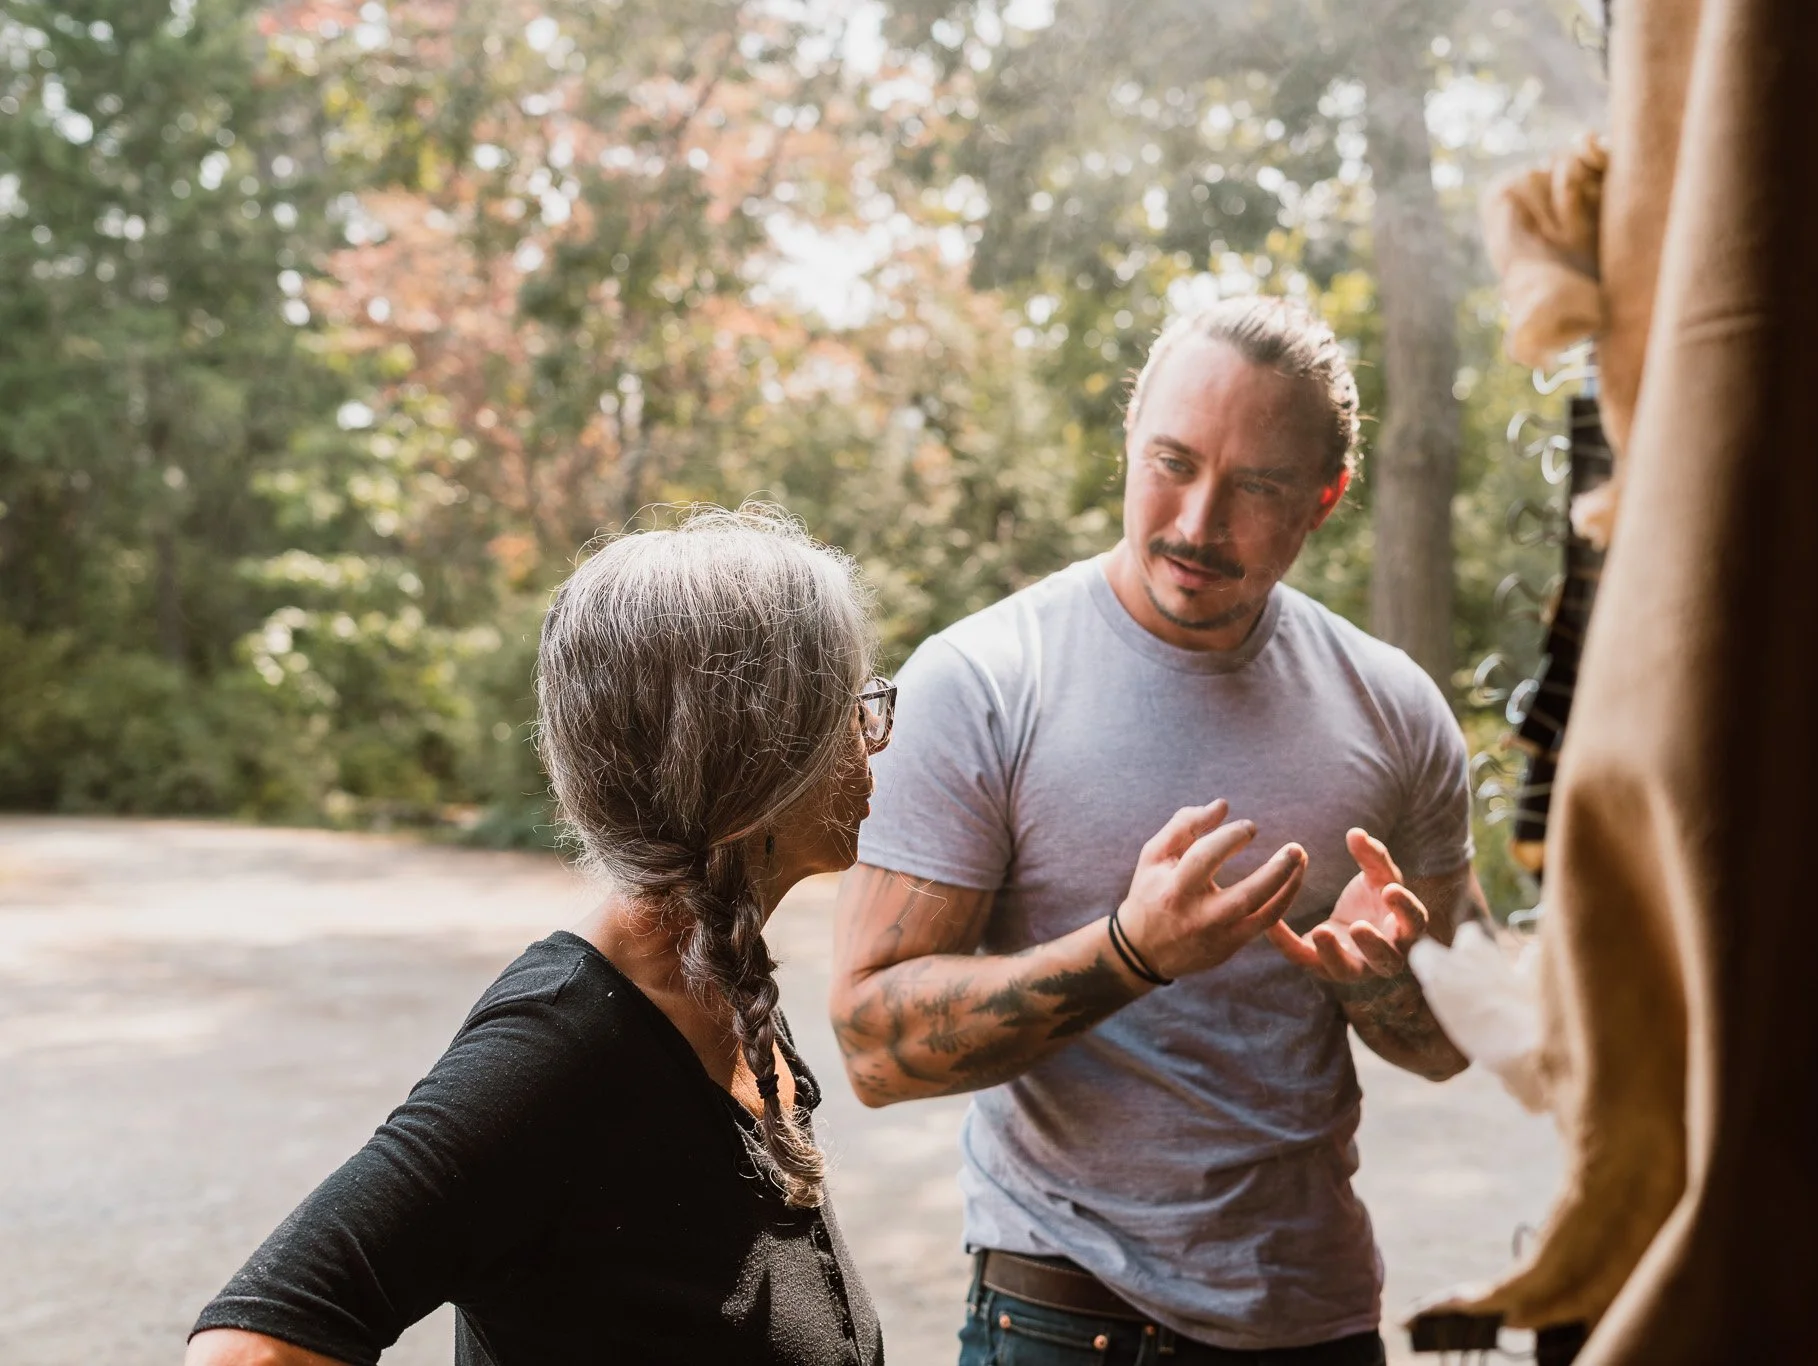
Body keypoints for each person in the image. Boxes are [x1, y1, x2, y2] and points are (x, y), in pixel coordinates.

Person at [830, 296, 1486, 1365]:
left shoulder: (1393, 708)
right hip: (1063, 1319)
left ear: (1324, 499)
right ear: (1128, 437)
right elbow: (869, 1046)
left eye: (1257, 486)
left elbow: (1455, 1045)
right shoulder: (985, 681)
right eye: (1171, 462)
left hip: (1318, 1323)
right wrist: (1129, 955)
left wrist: (1379, 984)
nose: (1195, 520)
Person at [187, 507, 894, 1366]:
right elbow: (253, 1350)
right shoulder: (564, 1043)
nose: (873, 742)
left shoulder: (718, 982)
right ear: (754, 753)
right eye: (851, 709)